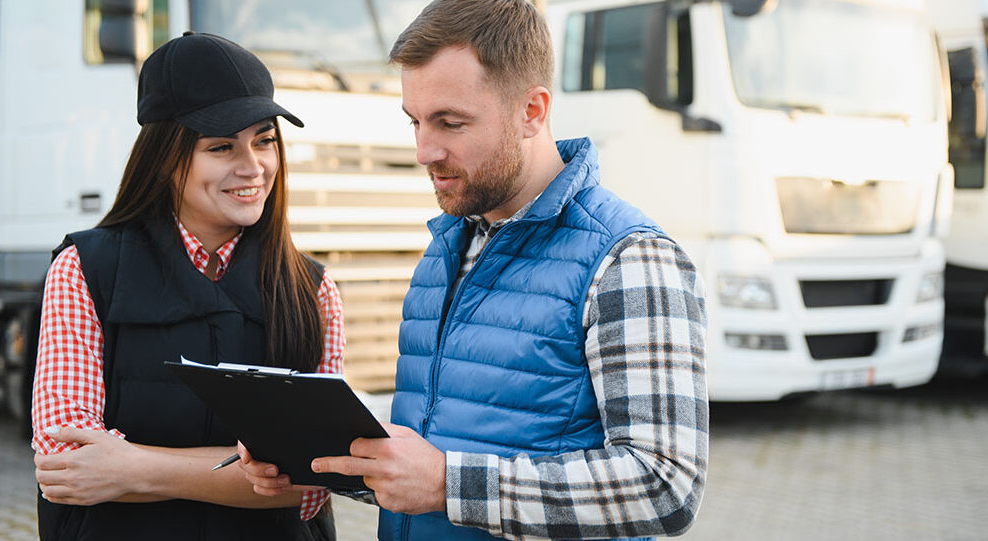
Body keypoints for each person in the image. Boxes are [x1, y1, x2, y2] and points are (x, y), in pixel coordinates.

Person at [240, 0, 709, 539]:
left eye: (450, 122)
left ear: (532, 111)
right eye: (415, 121)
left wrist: (448, 484)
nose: (424, 150)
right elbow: (424, 459)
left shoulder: (629, 258)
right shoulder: (444, 251)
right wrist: (305, 453)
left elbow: (665, 484)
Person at [31, 32, 343, 541]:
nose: (254, 166)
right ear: (165, 158)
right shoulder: (83, 270)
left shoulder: (312, 291)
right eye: (222, 146)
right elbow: (66, 466)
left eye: (264, 139)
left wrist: (133, 467)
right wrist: (251, 472)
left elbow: (312, 485)